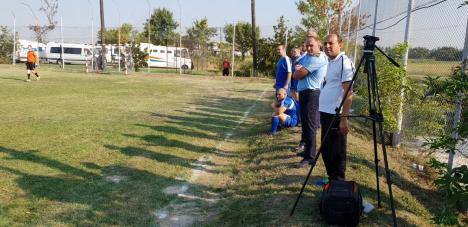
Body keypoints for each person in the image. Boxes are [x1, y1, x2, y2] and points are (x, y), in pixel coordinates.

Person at [319, 34, 355, 180]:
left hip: (336, 115)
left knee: (336, 151)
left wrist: (344, 119)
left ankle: (338, 183)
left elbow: (349, 93)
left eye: (331, 43)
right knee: (326, 150)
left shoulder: (344, 62)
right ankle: (331, 179)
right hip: (326, 113)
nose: (327, 46)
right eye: (325, 43)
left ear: (340, 44)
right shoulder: (331, 61)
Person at [293, 35, 328, 167]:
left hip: (312, 94)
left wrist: (300, 69)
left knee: (310, 126)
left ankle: (310, 157)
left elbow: (297, 74)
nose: (308, 48)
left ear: (318, 44)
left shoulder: (318, 58)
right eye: (306, 45)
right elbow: (296, 64)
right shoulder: (309, 56)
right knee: (306, 125)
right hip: (305, 93)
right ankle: (307, 151)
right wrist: (299, 67)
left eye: (311, 45)